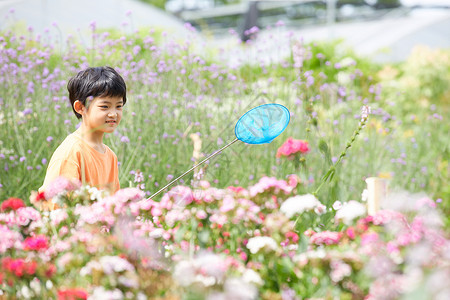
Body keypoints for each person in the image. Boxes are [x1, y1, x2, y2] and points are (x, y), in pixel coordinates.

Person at [39, 66, 126, 194]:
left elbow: (113, 205)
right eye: (105, 106)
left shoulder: (110, 156)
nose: (113, 114)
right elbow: (55, 203)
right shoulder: (72, 152)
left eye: (118, 106)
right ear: (80, 107)